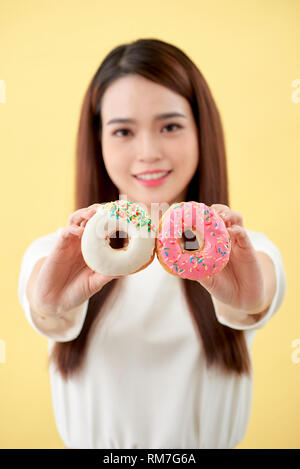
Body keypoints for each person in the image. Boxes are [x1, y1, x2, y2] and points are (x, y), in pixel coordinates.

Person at [18, 38, 286, 449]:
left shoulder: (243, 252)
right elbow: (46, 305)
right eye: (123, 130)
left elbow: (255, 294)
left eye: (170, 126)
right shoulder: (60, 254)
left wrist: (247, 303)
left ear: (202, 131)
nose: (148, 152)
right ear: (99, 141)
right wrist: (49, 306)